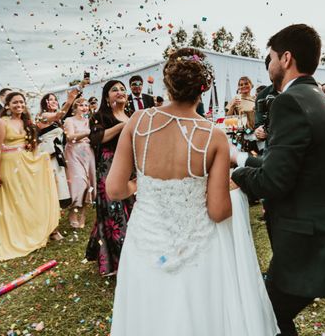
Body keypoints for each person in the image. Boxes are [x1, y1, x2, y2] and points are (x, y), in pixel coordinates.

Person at [107, 48, 278, 335]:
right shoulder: (214, 135)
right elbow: (218, 210)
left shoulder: (138, 121)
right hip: (196, 248)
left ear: (167, 84)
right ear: (204, 88)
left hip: (145, 242)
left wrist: (145, 186)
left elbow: (114, 189)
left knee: (149, 315)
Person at [232, 24, 325, 336]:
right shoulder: (322, 99)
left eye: (271, 57)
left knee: (266, 314)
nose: (270, 64)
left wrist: (235, 173)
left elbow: (274, 182)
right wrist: (243, 157)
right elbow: (304, 165)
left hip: (315, 245)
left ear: (286, 58)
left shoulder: (288, 102)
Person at [0, 92, 60, 261]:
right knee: (14, 199)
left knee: (27, 198)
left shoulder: (26, 122)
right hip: (9, 164)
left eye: (21, 102)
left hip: (25, 162)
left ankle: (31, 232)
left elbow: (37, 137)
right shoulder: (1, 122)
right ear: (7, 105)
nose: (19, 105)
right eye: (15, 102)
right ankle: (15, 237)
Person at [86, 80, 135, 276]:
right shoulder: (100, 116)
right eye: (114, 90)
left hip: (131, 166)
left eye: (123, 89)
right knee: (115, 213)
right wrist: (123, 126)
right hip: (110, 166)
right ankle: (119, 261)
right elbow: (97, 139)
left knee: (132, 208)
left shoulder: (130, 115)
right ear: (106, 97)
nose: (120, 92)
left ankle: (136, 254)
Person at [37, 91, 79, 210]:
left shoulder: (57, 121)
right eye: (50, 99)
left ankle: (56, 218)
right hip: (47, 155)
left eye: (55, 99)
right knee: (51, 185)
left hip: (58, 155)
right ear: (45, 103)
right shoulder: (43, 116)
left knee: (59, 185)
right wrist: (70, 100)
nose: (54, 101)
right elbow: (58, 115)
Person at [64, 98, 96, 229]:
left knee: (89, 184)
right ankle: (72, 214)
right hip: (73, 153)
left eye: (86, 105)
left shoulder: (90, 121)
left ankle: (82, 215)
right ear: (75, 107)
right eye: (81, 105)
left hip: (88, 152)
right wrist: (87, 132)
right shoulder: (69, 120)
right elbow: (69, 137)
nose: (84, 108)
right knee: (79, 183)